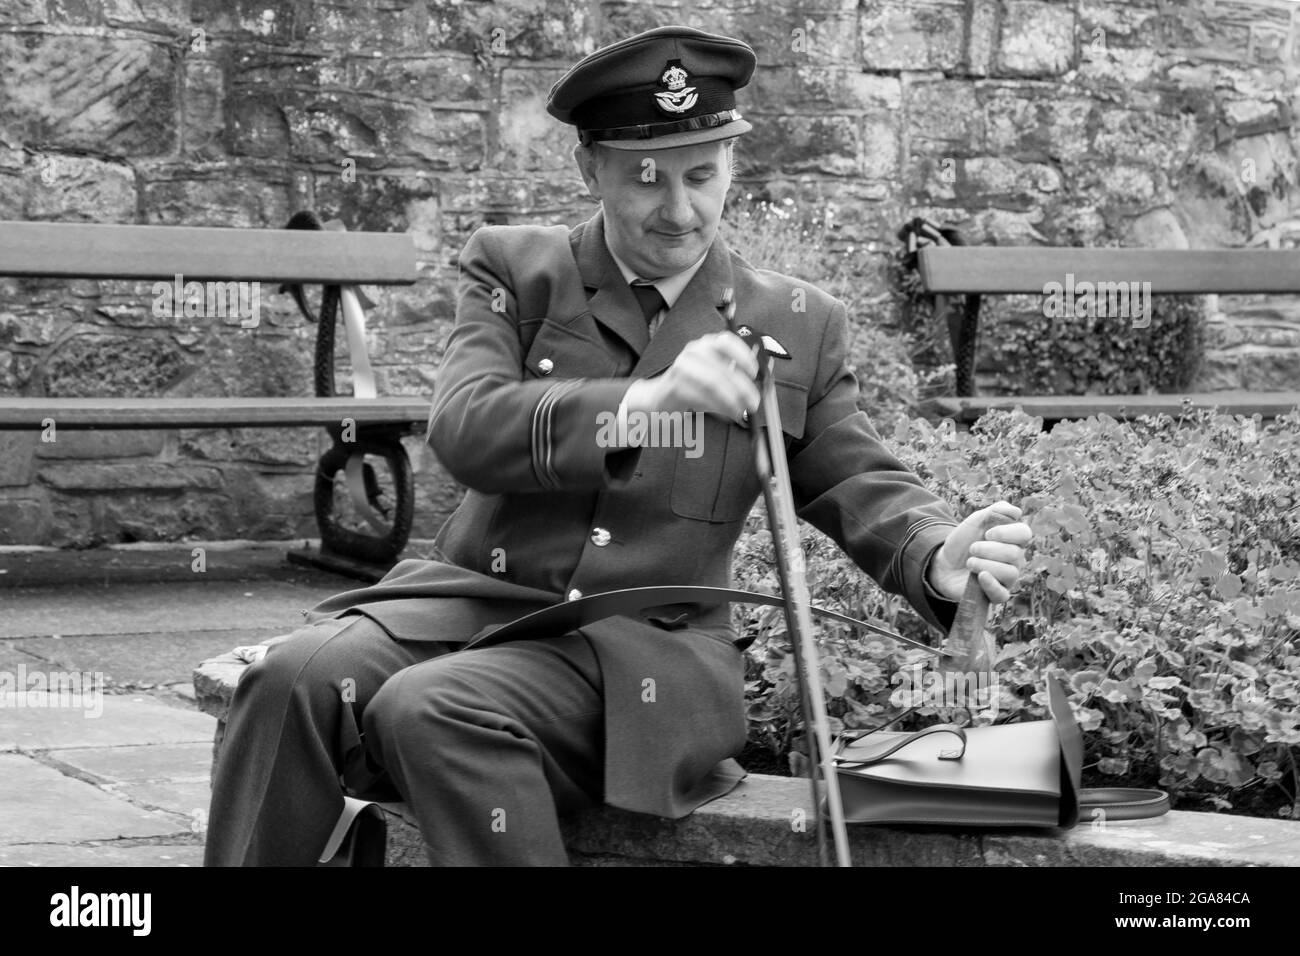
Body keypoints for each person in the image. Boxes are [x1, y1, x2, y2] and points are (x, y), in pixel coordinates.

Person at [204, 24, 1033, 867]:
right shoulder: (514, 271)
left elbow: (856, 479)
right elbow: (465, 427)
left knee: (433, 710)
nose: (679, 210)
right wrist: (642, 403)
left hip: (646, 658)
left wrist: (935, 556)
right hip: (469, 609)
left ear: (730, 169)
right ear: (588, 168)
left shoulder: (796, 323)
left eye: (702, 176)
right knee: (288, 683)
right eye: (646, 178)